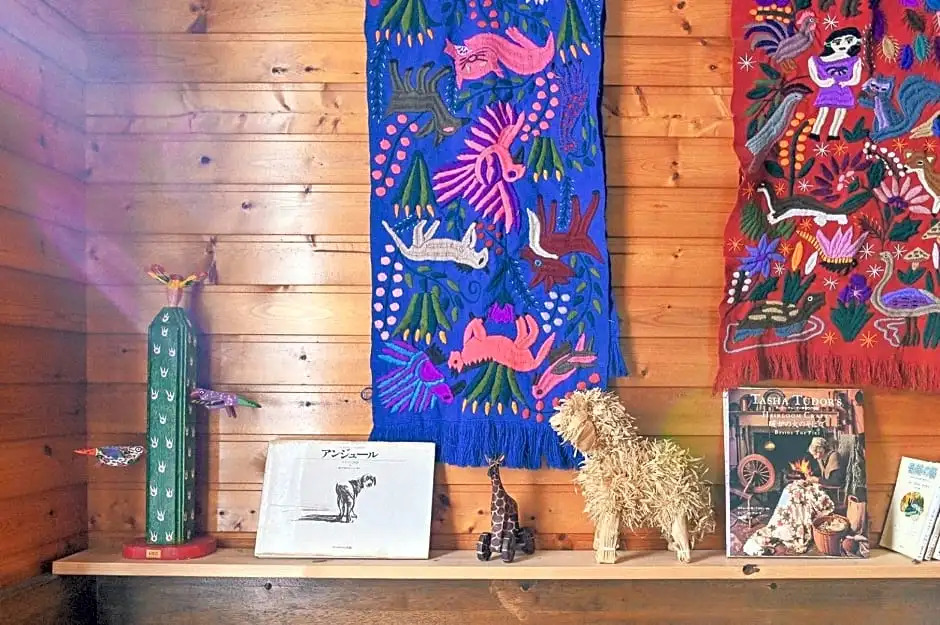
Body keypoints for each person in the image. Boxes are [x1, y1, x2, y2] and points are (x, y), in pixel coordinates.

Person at [808, 27, 863, 141]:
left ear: (856, 42)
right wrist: (822, 83)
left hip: (843, 90)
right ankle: (815, 132)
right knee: (823, 111)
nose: (843, 44)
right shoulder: (819, 60)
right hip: (827, 90)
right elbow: (815, 77)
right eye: (837, 42)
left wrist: (847, 82)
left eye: (848, 41)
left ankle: (833, 133)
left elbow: (856, 79)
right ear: (828, 44)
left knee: (841, 112)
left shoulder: (854, 60)